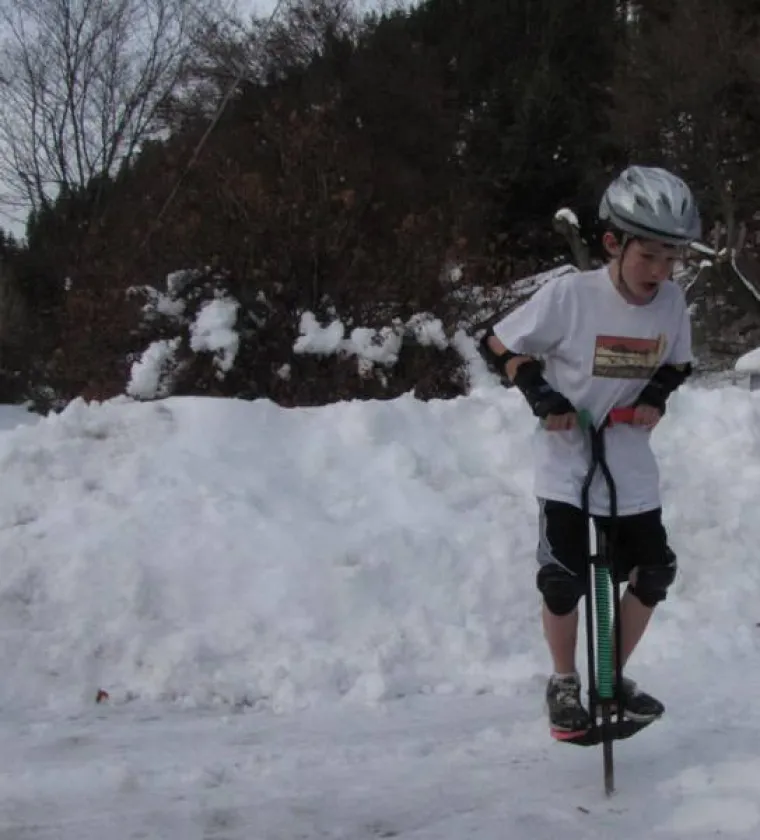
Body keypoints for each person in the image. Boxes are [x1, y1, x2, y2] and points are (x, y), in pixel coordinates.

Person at [479, 165, 700, 737]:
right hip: (567, 456)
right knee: (563, 578)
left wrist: (654, 394)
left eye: (671, 260)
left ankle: (611, 672)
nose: (660, 272)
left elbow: (678, 362)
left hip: (627, 459)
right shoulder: (571, 296)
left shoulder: (671, 304)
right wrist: (539, 391)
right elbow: (497, 341)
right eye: (648, 256)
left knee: (654, 571)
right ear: (613, 243)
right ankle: (563, 682)